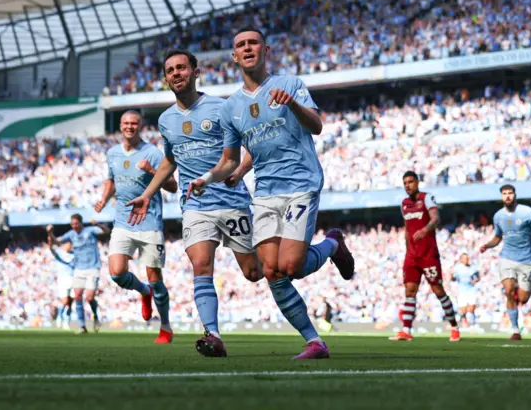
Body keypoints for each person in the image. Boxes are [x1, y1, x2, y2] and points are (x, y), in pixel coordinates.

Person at [185, 27, 355, 359]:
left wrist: (291, 104)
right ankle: (315, 342)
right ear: (234, 57)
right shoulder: (230, 107)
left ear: (266, 50)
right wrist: (210, 177)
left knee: (290, 266)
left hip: (300, 183)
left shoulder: (289, 84)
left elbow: (317, 126)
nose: (247, 48)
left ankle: (333, 243)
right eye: (240, 45)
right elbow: (229, 159)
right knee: (271, 271)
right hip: (264, 193)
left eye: (253, 43)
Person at [125, 49, 262, 357]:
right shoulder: (165, 120)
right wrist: (148, 195)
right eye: (170, 69)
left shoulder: (221, 107)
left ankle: (327, 248)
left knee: (256, 273)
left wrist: (234, 173)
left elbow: (244, 151)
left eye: (182, 68)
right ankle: (212, 334)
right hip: (195, 207)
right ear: (165, 78)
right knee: (201, 266)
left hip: (231, 202)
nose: (176, 73)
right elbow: (169, 161)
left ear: (196, 71)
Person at [95, 110, 178, 344]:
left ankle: (165, 327)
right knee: (116, 273)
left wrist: (152, 171)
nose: (130, 127)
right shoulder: (112, 153)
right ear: (120, 126)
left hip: (149, 222)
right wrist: (104, 197)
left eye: (134, 123)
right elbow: (111, 180)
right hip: (122, 221)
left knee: (155, 278)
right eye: (126, 123)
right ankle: (144, 292)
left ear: (140, 126)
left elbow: (172, 186)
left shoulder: (152, 153)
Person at [390, 171, 460, 342]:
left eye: (410, 182)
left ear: (417, 182)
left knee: (438, 290)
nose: (407, 185)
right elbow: (407, 229)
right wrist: (407, 249)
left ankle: (454, 326)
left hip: (428, 255)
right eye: (405, 182)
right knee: (409, 291)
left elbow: (435, 218)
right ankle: (406, 330)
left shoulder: (427, 198)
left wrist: (424, 230)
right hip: (412, 256)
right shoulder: (404, 203)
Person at [480, 184, 531, 340]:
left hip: (526, 260)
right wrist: (487, 245)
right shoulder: (498, 216)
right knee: (508, 290)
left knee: (523, 299)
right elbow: (498, 238)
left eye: (510, 193)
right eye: (504, 194)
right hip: (506, 258)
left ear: (515, 195)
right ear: (501, 197)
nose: (508, 196)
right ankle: (516, 330)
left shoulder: (527, 213)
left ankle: (518, 293)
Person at [47, 215, 109, 334]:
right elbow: (56, 242)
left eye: (76, 223)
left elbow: (107, 232)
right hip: (78, 269)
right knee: (78, 296)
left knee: (90, 297)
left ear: (81, 223)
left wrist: (97, 224)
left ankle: (95, 316)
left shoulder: (90, 231)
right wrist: (50, 233)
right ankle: (82, 325)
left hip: (92, 267)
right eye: (72, 224)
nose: (74, 226)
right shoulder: (71, 234)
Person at [47, 239, 74, 330]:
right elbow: (51, 248)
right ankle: (60, 317)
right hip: (63, 280)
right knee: (65, 301)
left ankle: (67, 321)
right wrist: (50, 238)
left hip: (73, 279)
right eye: (69, 244)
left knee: (71, 302)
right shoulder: (60, 253)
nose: (70, 246)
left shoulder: (74, 254)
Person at [451, 252, 480, 329]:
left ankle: (473, 323)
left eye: (467, 258)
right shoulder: (458, 268)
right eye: (464, 258)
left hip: (471, 289)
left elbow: (477, 277)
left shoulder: (472, 268)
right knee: (463, 308)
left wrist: (475, 280)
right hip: (462, 290)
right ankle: (464, 322)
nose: (466, 260)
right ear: (461, 260)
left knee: (472, 307)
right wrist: (451, 275)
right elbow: (453, 279)